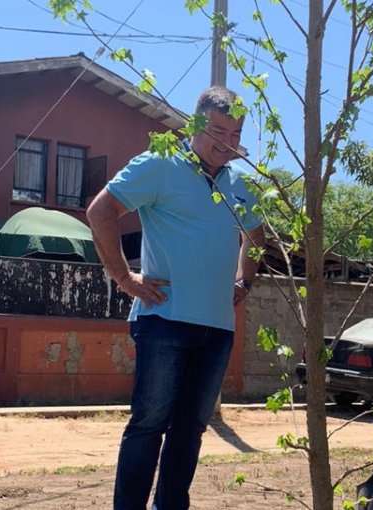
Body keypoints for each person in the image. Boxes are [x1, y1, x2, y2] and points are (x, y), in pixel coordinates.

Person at [86, 85, 265, 510]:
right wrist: (123, 277)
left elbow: (255, 236)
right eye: (219, 130)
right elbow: (100, 211)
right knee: (149, 424)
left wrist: (245, 281)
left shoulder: (240, 182)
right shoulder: (160, 164)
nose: (228, 142)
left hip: (218, 325)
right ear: (196, 124)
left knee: (190, 429)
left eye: (236, 134)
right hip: (164, 320)